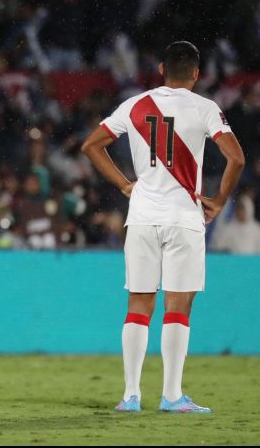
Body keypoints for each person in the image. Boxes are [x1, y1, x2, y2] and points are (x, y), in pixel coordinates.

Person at [82, 41, 245, 413]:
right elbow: (236, 157)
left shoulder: (135, 105)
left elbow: (92, 145)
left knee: (139, 303)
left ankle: (131, 396)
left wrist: (125, 184)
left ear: (160, 68)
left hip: (141, 217)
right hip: (184, 218)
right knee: (178, 305)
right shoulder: (205, 108)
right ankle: (171, 396)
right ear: (196, 73)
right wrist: (219, 200)